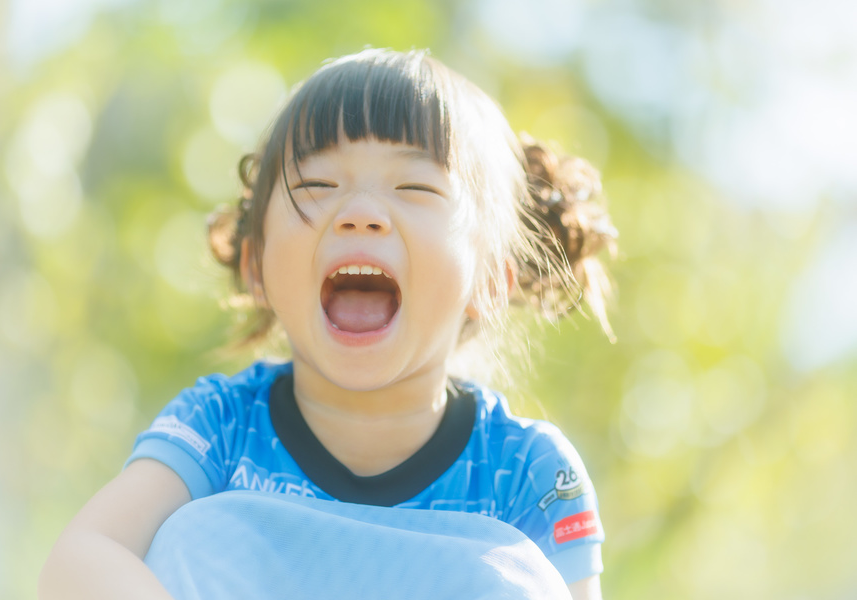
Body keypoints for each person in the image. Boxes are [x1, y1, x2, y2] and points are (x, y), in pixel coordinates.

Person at [39, 48, 618, 599]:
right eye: (317, 187)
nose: (360, 214)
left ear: (491, 279)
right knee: (193, 537)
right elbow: (83, 557)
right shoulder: (223, 429)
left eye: (414, 187)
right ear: (256, 266)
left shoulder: (525, 476)